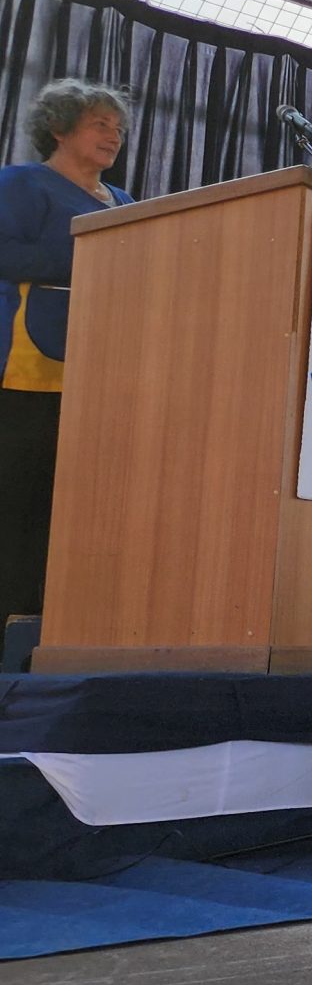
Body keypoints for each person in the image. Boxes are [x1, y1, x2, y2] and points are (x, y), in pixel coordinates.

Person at [0, 79, 133, 626]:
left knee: (73, 514)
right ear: (59, 127)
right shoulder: (23, 184)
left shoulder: (126, 204)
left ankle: (47, 626)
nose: (114, 135)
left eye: (119, 129)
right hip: (29, 373)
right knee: (17, 507)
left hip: (103, 376)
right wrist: (89, 255)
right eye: (100, 124)